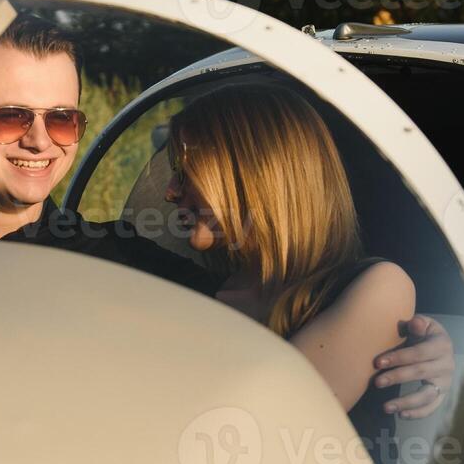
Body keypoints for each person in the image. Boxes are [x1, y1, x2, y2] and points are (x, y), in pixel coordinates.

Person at [0, 14, 451, 416]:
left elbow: (276, 332)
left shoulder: (141, 268)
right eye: (9, 115)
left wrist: (428, 349)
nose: (38, 141)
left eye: (61, 119)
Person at [163, 84, 419, 415]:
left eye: (185, 172)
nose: (170, 192)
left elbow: (272, 424)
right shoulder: (196, 290)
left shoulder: (379, 288)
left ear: (254, 173)